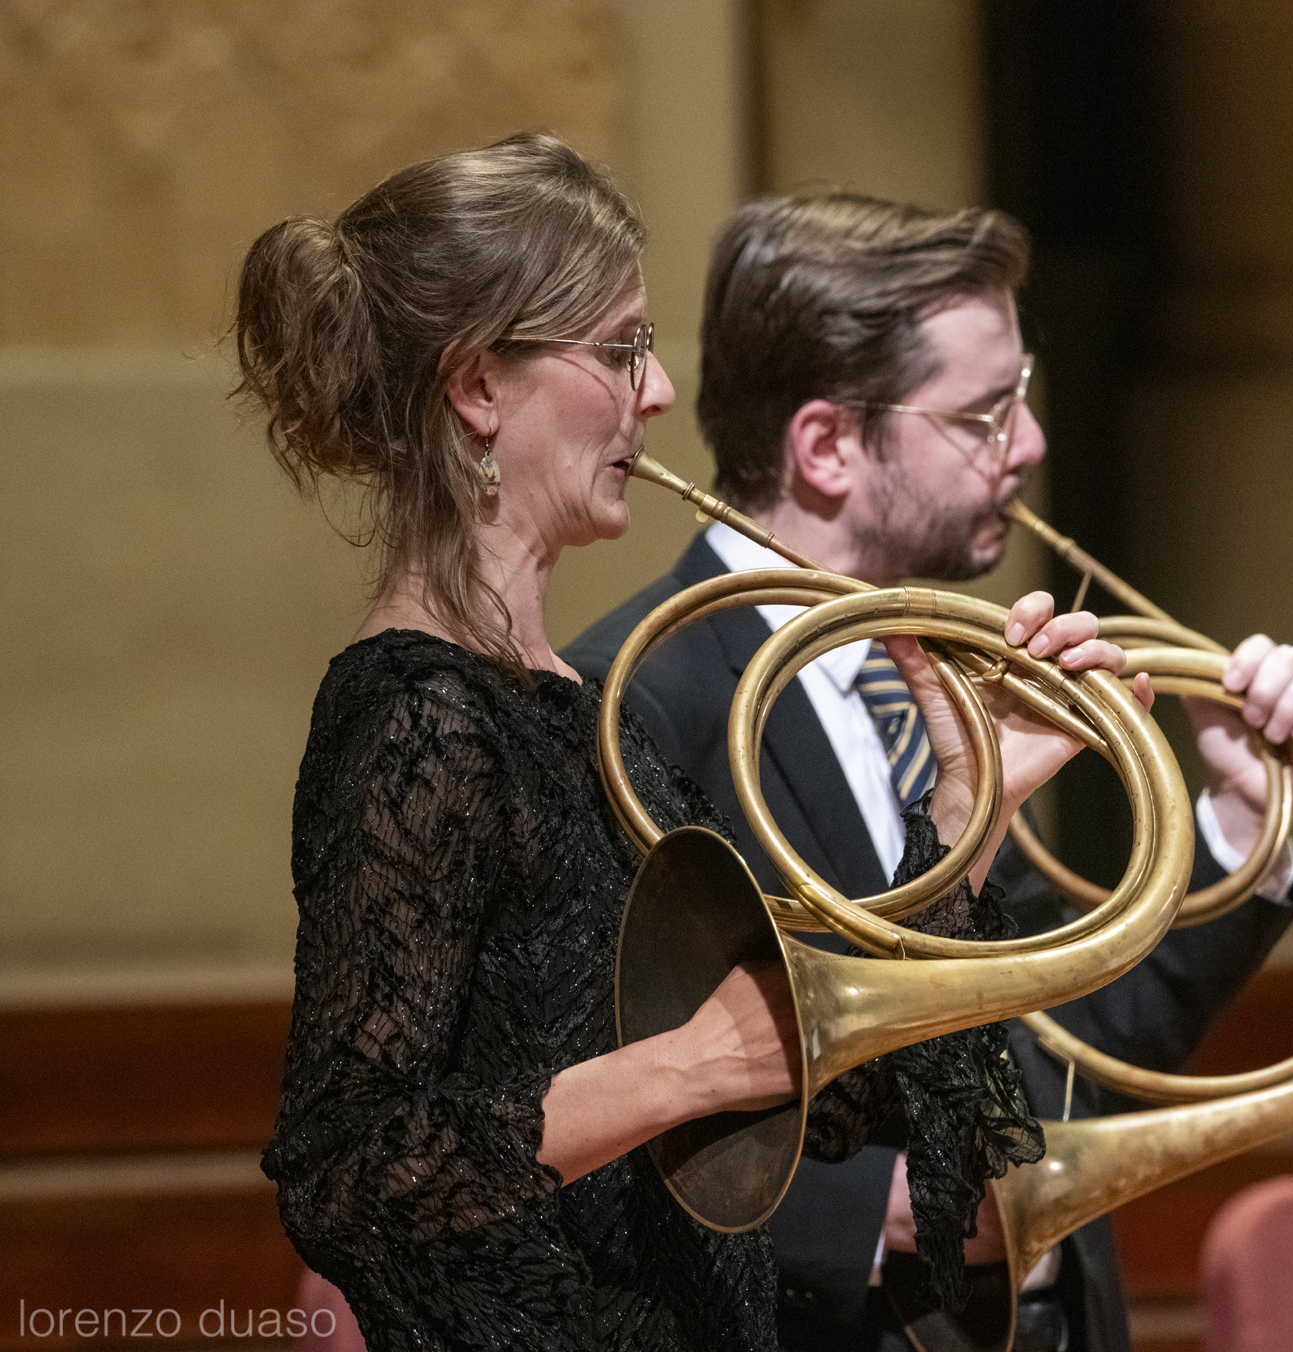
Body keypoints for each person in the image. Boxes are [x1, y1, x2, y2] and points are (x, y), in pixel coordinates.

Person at [238, 136, 1130, 1352]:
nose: (657, 395)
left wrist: (976, 810)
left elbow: (813, 1084)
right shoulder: (420, 714)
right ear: (478, 386)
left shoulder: (572, 705)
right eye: (619, 349)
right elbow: (348, 1167)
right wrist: (687, 1068)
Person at [563, 192, 1293, 1352]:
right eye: (985, 415)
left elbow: (1052, 1065)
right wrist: (855, 1213)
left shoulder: (955, 666)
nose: (1029, 445)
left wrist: (1236, 822)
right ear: (828, 445)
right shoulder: (629, 703)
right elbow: (571, 1122)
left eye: (1021, 397)